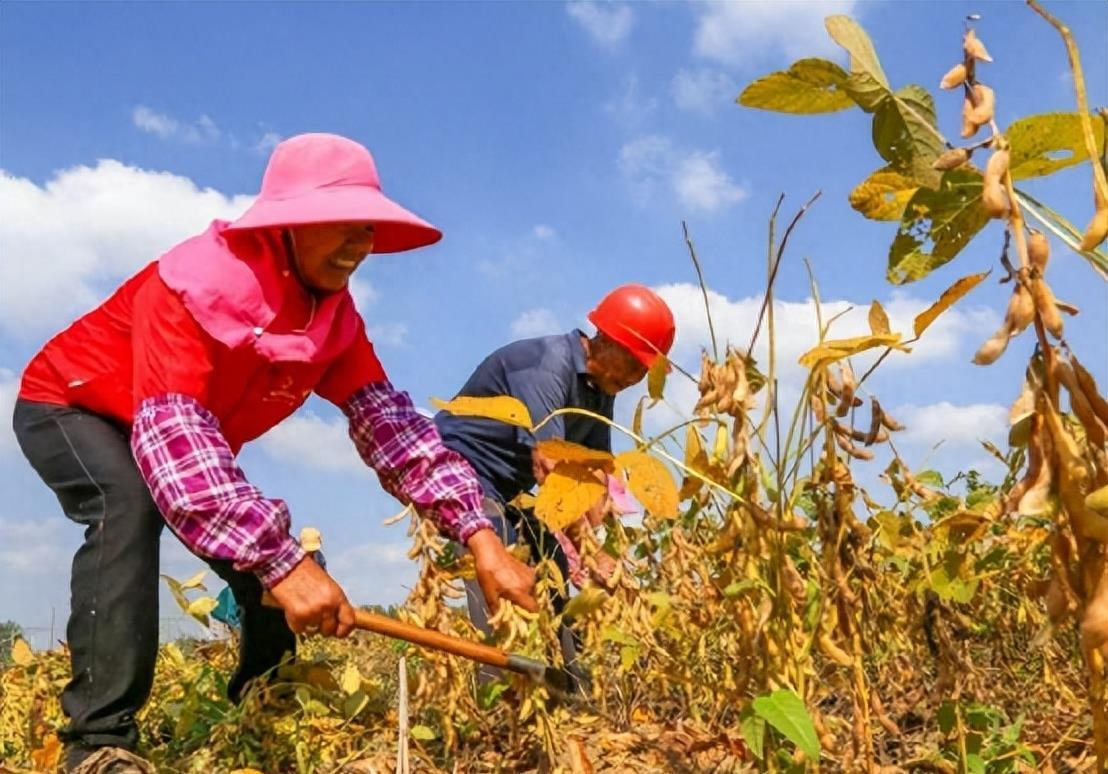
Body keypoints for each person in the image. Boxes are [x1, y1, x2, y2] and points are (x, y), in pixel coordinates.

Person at [12, 133, 535, 772]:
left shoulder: (333, 321)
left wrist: (482, 537)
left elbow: (392, 431)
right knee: (130, 505)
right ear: (288, 225)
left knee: (265, 554)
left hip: (180, 439)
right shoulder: (191, 286)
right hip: (73, 406)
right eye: (341, 224)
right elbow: (176, 439)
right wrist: (283, 567)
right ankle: (98, 743)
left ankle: (262, 704)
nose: (361, 244)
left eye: (367, 226)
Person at [433, 285, 675, 683]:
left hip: (510, 488)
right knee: (495, 571)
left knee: (556, 570)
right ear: (605, 341)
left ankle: (568, 688)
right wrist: (590, 551)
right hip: (462, 476)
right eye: (635, 364)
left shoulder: (600, 389)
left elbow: (594, 473)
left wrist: (604, 551)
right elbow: (552, 467)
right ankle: (495, 708)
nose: (638, 377)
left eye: (645, 369)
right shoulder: (547, 365)